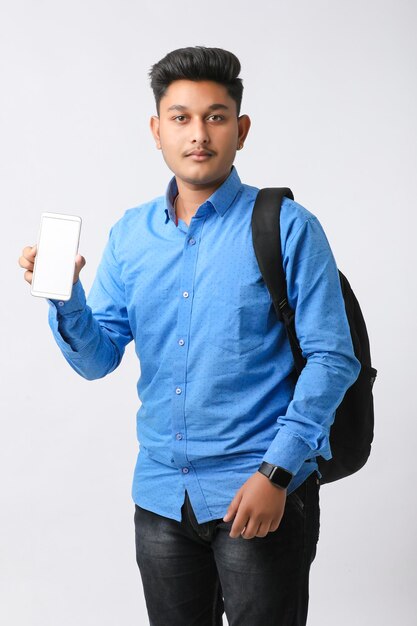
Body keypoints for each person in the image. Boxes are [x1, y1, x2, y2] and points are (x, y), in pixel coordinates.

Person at [19, 46, 360, 626]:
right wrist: (65, 297)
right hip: (160, 499)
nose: (198, 133)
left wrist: (276, 474)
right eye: (180, 118)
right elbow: (98, 358)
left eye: (216, 116)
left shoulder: (288, 226)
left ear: (241, 129)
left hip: (258, 492)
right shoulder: (131, 234)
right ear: (157, 130)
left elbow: (333, 359)